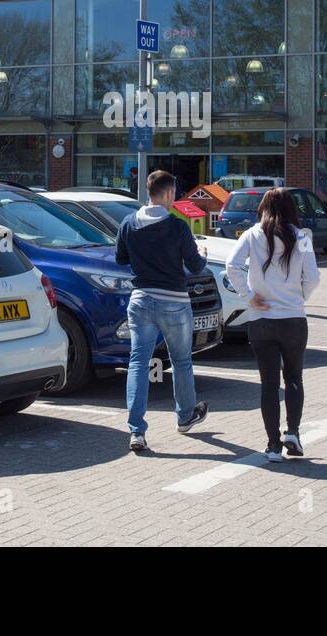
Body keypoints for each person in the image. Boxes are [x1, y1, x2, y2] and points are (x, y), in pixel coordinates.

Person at [114, 169, 210, 453]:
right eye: (174, 193)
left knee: (138, 363)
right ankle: (184, 417)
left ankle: (136, 431)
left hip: (141, 300)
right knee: (181, 361)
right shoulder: (178, 227)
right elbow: (195, 266)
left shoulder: (128, 223)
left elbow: (120, 258)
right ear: (168, 193)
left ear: (148, 192)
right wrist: (201, 254)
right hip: (174, 303)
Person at [226, 187, 321, 462]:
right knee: (293, 378)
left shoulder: (252, 233)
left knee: (269, 384)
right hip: (293, 319)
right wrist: (299, 296)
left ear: (263, 208)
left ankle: (272, 445)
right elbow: (313, 277)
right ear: (292, 208)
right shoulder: (302, 236)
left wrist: (249, 297)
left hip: (261, 320)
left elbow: (232, 265)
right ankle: (293, 432)